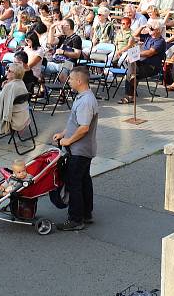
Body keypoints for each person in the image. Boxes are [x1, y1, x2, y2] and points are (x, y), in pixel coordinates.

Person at [53, 66, 99, 231]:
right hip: (83, 149)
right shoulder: (83, 97)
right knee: (84, 180)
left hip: (80, 150)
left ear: (79, 81)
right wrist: (63, 134)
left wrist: (68, 141)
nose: (69, 81)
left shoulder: (86, 101)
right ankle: (87, 213)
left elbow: (84, 127)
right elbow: (76, 122)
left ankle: (75, 219)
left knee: (74, 183)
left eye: (71, 79)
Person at [120, 20, 166, 104]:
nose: (149, 30)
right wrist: (142, 27)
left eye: (151, 29)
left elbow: (149, 53)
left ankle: (129, 96)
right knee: (131, 66)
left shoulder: (160, 41)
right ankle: (131, 91)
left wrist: (135, 54)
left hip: (151, 67)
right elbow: (134, 35)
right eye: (150, 29)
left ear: (158, 30)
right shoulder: (148, 37)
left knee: (130, 73)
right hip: (140, 64)